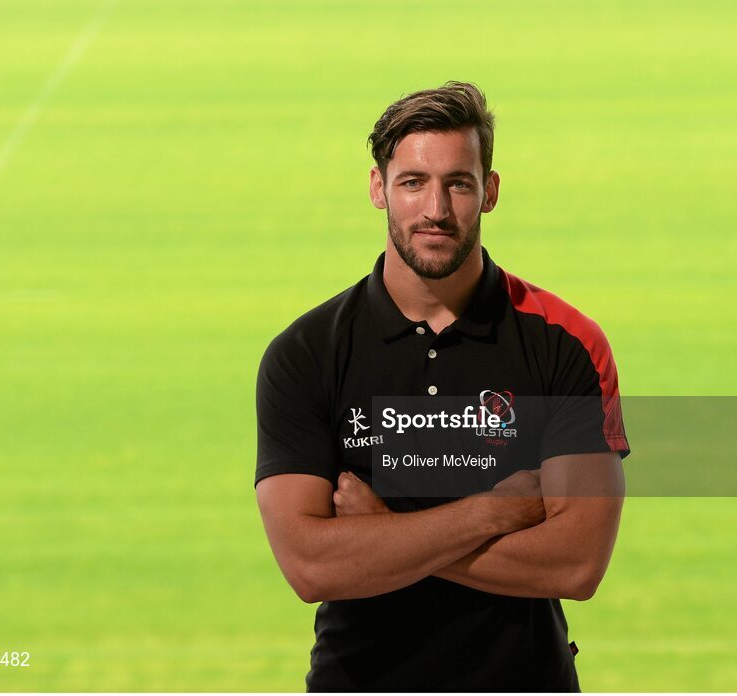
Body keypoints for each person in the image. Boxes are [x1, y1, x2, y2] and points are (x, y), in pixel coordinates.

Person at [255, 81, 630, 692]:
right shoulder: (304, 355)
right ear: (378, 189)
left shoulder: (568, 343)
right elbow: (311, 565)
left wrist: (381, 529)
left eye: (458, 183)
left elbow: (577, 563)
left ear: (490, 191)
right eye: (412, 182)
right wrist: (492, 512)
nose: (435, 208)